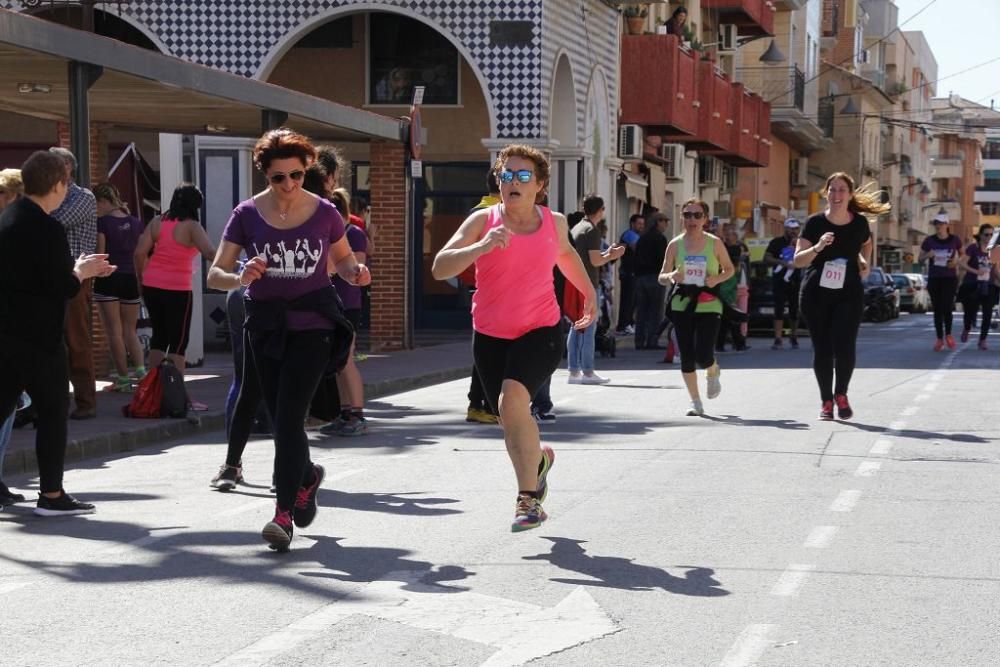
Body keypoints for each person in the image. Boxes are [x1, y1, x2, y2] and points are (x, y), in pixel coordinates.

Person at [208, 128, 369, 551]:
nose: (289, 185)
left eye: (296, 175)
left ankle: (282, 516)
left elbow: (344, 261)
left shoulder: (324, 212)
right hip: (265, 325)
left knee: (291, 416)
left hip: (313, 325)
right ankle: (308, 476)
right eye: (279, 177)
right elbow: (215, 273)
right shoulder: (246, 214)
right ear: (265, 174)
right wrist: (239, 275)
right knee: (281, 421)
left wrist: (355, 273)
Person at [432, 144, 596, 532]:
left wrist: (589, 293)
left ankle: (528, 500)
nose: (513, 183)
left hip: (541, 329)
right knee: (510, 418)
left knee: (512, 400)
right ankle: (537, 463)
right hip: (490, 334)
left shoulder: (553, 222)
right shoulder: (482, 220)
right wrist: (481, 246)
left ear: (540, 185)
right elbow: (441, 267)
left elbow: (567, 255)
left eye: (524, 176)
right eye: (507, 175)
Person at [0, 150, 114, 515]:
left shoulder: (9, 217)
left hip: (7, 333)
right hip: (39, 338)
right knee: (53, 411)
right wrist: (81, 272)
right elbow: (59, 285)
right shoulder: (44, 226)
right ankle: (51, 495)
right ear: (57, 184)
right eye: (65, 182)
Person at [793, 172, 885, 420]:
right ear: (826, 193)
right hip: (816, 293)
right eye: (832, 190)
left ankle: (841, 394)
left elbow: (866, 243)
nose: (836, 195)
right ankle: (826, 401)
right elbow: (798, 260)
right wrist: (818, 246)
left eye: (841, 190)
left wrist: (864, 259)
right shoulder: (814, 223)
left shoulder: (859, 224)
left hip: (849, 292)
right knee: (823, 349)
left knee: (845, 346)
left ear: (850, 194)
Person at [134, 184, 216, 408]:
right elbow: (209, 252)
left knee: (159, 337)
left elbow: (139, 252)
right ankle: (180, 399)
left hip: (152, 284)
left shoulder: (157, 222)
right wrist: (230, 263)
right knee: (179, 342)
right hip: (178, 288)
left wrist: (141, 279)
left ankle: (152, 392)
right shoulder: (192, 226)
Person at [659, 199, 734, 416]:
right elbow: (661, 276)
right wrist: (671, 276)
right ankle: (695, 401)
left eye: (697, 215)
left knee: (703, 353)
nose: (692, 219)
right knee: (686, 354)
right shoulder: (675, 244)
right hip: (682, 303)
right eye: (687, 214)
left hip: (709, 303)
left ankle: (712, 370)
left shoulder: (715, 243)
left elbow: (729, 269)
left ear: (705, 219)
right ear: (682, 217)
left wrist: (716, 279)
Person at [48, 147, 99, 420]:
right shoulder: (47, 196)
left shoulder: (82, 196)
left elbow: (56, 221)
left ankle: (86, 402)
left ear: (68, 167)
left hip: (75, 275)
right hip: (47, 275)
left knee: (76, 338)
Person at [325, 188, 371, 436]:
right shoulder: (328, 235)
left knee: (346, 358)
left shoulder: (353, 234)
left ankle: (357, 413)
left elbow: (357, 268)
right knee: (337, 361)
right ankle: (344, 411)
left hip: (348, 304)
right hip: (329, 303)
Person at [92, 183, 145, 391]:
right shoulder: (136, 222)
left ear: (103, 201)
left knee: (114, 331)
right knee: (130, 330)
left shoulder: (102, 222)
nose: (96, 209)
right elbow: (139, 253)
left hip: (109, 277)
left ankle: (123, 379)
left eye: (97, 205)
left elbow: (101, 253)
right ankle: (141, 372)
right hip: (130, 277)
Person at [567, 195, 625, 384]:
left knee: (577, 328)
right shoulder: (592, 230)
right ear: (600, 210)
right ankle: (588, 372)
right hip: (588, 284)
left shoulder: (577, 227)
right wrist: (612, 255)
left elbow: (589, 256)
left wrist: (607, 253)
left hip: (576, 282)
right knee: (588, 328)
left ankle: (574, 371)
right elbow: (595, 261)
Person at [464, 169, 502, 425]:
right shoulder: (492, 215)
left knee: (487, 351)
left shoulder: (476, 212)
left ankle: (480, 404)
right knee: (492, 352)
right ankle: (482, 404)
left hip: (483, 289)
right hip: (492, 290)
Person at [919, 213, 964, 351]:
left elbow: (963, 255)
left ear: (947, 225)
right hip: (935, 278)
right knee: (937, 309)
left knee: (947, 307)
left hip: (949, 278)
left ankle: (949, 335)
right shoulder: (929, 241)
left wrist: (956, 261)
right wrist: (928, 255)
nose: (938, 226)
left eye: (941, 224)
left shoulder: (955, 240)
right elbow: (920, 259)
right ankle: (939, 339)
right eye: (936, 224)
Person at [765, 219, 803, 349]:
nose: (793, 231)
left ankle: (794, 336)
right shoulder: (777, 242)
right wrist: (782, 263)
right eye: (791, 228)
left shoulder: (802, 243)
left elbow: (810, 258)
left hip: (796, 279)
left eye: (796, 228)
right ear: (785, 229)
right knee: (779, 308)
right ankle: (778, 338)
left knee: (794, 309)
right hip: (779, 279)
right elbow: (767, 258)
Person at [634, 212, 670, 349]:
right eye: (664, 221)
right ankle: (652, 341)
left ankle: (639, 341)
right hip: (655, 277)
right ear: (658, 222)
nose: (666, 224)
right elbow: (663, 259)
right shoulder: (660, 239)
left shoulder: (642, 238)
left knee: (641, 311)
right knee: (655, 311)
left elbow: (636, 257)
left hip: (641, 278)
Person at [958, 224, 997, 350]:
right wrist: (975, 272)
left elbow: (995, 270)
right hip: (972, 284)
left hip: (988, 284)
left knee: (988, 313)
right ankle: (967, 328)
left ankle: (983, 340)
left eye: (991, 235)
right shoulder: (973, 248)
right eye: (986, 234)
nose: (989, 237)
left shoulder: (994, 250)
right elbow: (961, 263)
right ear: (980, 235)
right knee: (970, 311)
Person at [718, 222, 750, 352]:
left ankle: (734, 343)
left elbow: (741, 265)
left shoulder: (738, 248)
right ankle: (736, 343)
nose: (729, 235)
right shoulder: (721, 246)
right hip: (726, 283)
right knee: (730, 316)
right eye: (727, 232)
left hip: (734, 283)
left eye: (731, 232)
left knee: (731, 316)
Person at [616, 213, 644, 334]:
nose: (641, 226)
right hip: (628, 273)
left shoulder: (638, 235)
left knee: (633, 300)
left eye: (643, 224)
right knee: (628, 300)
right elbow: (637, 249)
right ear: (632, 224)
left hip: (633, 272)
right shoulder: (629, 235)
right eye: (639, 224)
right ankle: (623, 325)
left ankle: (629, 323)